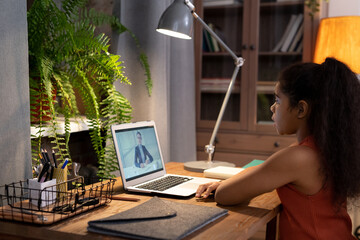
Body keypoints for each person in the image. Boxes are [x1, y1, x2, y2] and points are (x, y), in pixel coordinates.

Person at [196, 58, 360, 239]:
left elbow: (224, 195)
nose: (272, 107)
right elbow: (261, 170)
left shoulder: (298, 157)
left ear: (300, 109)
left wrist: (225, 185)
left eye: (278, 100)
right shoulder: (324, 149)